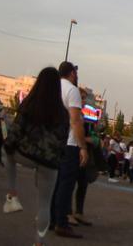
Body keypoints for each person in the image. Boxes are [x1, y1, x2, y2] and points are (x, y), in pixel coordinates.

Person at [3, 66, 68, 245]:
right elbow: (63, 141)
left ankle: (12, 194)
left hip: (26, 154)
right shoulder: (63, 113)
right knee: (44, 204)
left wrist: (9, 146)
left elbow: (16, 129)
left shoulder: (30, 103)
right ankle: (38, 241)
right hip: (49, 162)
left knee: (8, 154)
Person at [49, 61, 88, 239]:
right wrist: (83, 147)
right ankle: (61, 223)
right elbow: (75, 121)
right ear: (72, 73)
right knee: (66, 184)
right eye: (76, 72)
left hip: (54, 141)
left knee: (55, 183)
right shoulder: (72, 90)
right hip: (70, 144)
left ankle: (51, 219)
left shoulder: (53, 87)